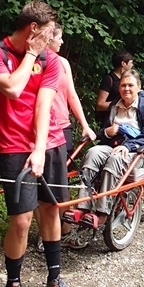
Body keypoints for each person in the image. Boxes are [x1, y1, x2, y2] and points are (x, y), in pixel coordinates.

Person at [0, 0, 75, 287]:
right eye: (48, 34)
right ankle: (13, 284)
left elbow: (43, 106)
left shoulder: (53, 61)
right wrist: (31, 54)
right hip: (12, 147)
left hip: (50, 144)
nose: (53, 39)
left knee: (51, 210)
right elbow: (13, 89)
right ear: (33, 30)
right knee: (20, 221)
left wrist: (40, 148)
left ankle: (54, 278)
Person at [66, 70, 144, 228]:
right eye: (123, 85)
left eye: (130, 85)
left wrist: (128, 145)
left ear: (138, 87)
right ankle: (83, 207)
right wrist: (106, 132)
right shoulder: (114, 105)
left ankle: (102, 212)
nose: (126, 88)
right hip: (112, 146)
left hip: (139, 151)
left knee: (116, 159)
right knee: (92, 153)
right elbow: (104, 133)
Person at [36, 24, 97, 252]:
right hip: (36, 129)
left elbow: (71, 94)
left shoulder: (63, 63)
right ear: (48, 38)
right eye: (59, 38)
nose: (62, 43)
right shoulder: (33, 61)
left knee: (57, 183)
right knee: (37, 183)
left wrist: (85, 124)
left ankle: (65, 229)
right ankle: (46, 232)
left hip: (61, 128)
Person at [96, 49, 134, 125]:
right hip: (109, 121)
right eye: (131, 63)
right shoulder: (109, 79)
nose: (132, 65)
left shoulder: (126, 79)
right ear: (123, 63)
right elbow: (99, 105)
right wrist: (120, 103)